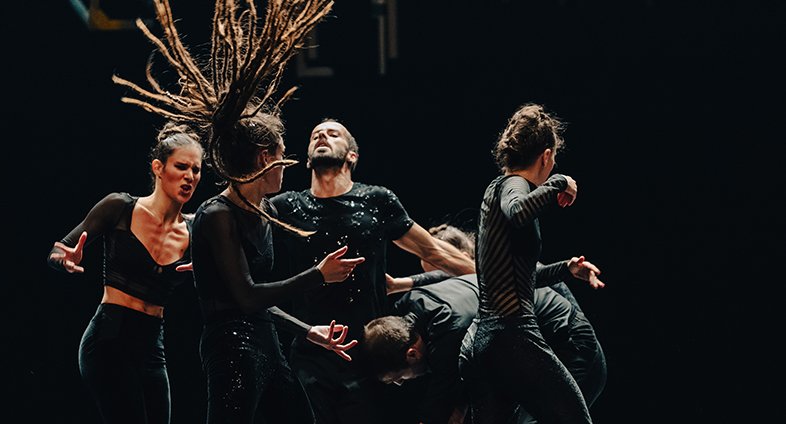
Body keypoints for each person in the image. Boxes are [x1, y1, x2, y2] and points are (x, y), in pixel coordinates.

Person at [109, 1, 348, 422]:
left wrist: (305, 330)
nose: (287, 161)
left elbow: (253, 300)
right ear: (262, 158)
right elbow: (245, 296)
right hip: (233, 348)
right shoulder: (218, 214)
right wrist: (317, 275)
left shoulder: (264, 211)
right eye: (281, 153)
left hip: (266, 344)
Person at [270, 119, 477, 423]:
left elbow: (433, 250)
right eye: (315, 135)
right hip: (310, 352)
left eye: (332, 133)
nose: (322, 137)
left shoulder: (376, 200)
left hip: (369, 354)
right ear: (307, 157)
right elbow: (234, 227)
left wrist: (487, 277)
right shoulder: (284, 207)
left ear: (352, 155)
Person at [46, 121, 204, 424]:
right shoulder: (120, 207)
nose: (189, 177)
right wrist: (63, 260)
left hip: (151, 345)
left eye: (196, 170)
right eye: (181, 166)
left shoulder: (196, 229)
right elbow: (57, 249)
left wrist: (206, 274)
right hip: (108, 338)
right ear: (158, 167)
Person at [369, 224, 607, 424]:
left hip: (566, 344)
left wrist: (567, 268)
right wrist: (404, 283)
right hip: (525, 350)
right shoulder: (413, 306)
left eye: (396, 378)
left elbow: (442, 389)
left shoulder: (454, 317)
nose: (400, 383)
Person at [461, 103, 604, 424]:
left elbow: (520, 277)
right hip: (511, 336)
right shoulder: (513, 186)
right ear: (547, 156)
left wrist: (566, 268)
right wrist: (560, 182)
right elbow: (519, 210)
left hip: (483, 341)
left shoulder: (494, 191)